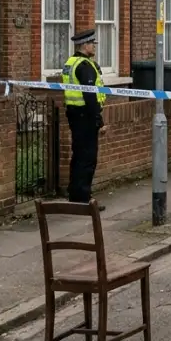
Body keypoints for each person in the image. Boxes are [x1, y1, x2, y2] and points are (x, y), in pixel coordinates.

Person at [63, 29, 107, 209]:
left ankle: (75, 193)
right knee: (88, 157)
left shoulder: (70, 62)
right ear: (84, 45)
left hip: (74, 113)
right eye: (92, 44)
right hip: (85, 116)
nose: (94, 47)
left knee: (78, 155)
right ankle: (84, 198)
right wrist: (99, 119)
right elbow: (90, 96)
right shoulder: (85, 66)